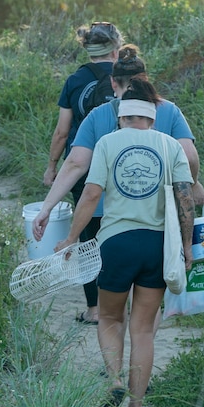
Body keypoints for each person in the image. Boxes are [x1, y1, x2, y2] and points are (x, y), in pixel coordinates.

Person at [53, 80, 195, 407]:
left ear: (122, 115)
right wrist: (188, 247)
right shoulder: (169, 145)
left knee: (109, 319)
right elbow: (185, 200)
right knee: (143, 331)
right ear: (152, 115)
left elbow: (89, 195)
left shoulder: (107, 143)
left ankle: (115, 379)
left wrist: (72, 237)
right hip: (156, 247)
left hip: (116, 244)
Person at [33, 46, 204, 324]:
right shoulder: (169, 111)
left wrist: (46, 208)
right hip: (156, 219)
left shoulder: (99, 115)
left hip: (105, 217)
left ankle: (102, 328)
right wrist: (193, 184)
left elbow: (75, 164)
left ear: (113, 82)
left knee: (110, 305)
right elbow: (189, 155)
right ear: (146, 79)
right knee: (145, 316)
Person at [42, 22, 122, 324]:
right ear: (115, 49)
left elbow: (63, 132)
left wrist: (52, 168)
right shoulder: (125, 76)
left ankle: (94, 309)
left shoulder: (75, 80)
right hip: (122, 165)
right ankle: (124, 302)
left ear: (86, 50)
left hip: (83, 166)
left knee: (88, 240)